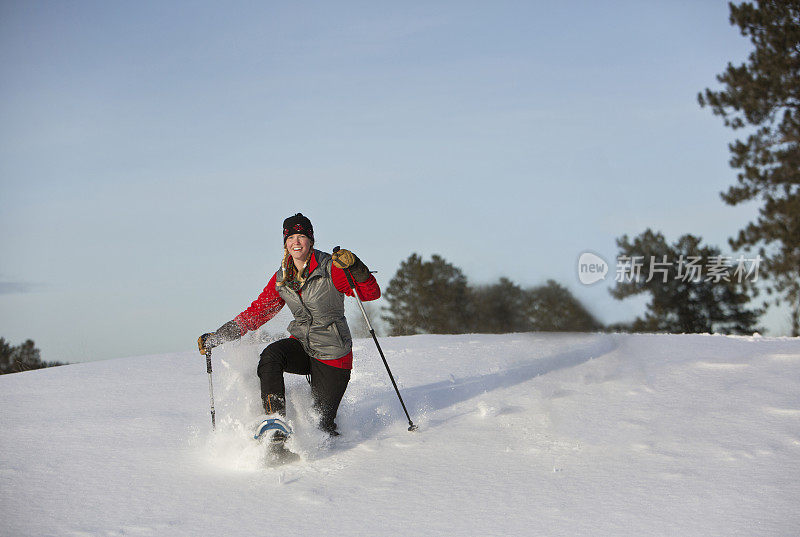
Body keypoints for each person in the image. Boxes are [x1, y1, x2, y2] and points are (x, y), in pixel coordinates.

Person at [197, 213, 380, 455]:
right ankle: (275, 423)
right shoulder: (282, 278)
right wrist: (220, 335)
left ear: (311, 240)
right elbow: (258, 312)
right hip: (302, 346)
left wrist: (356, 267)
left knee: (321, 426)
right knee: (272, 355)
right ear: (285, 243)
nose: (296, 242)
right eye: (291, 237)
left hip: (333, 354)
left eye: (301, 236)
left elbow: (370, 294)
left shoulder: (331, 268)